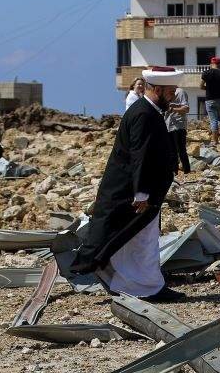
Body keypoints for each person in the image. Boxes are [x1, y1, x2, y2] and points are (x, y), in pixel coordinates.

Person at [70, 67, 183, 302]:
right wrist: (141, 192)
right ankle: (147, 288)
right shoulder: (144, 114)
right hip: (134, 192)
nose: (173, 96)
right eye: (170, 91)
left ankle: (138, 284)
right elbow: (139, 154)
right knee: (143, 242)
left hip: (141, 190)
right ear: (158, 89)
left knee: (136, 240)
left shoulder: (148, 111)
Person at [200, 56, 220, 146]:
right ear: (219, 64)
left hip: (210, 100)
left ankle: (215, 141)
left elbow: (201, 86)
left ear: (211, 64)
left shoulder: (206, 73)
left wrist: (208, 88)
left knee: (213, 120)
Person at [166, 87, 191, 174]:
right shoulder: (165, 92)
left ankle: (187, 171)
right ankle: (174, 172)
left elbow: (186, 109)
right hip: (168, 126)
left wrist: (173, 109)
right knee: (172, 151)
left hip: (178, 126)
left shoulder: (180, 92)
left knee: (181, 150)